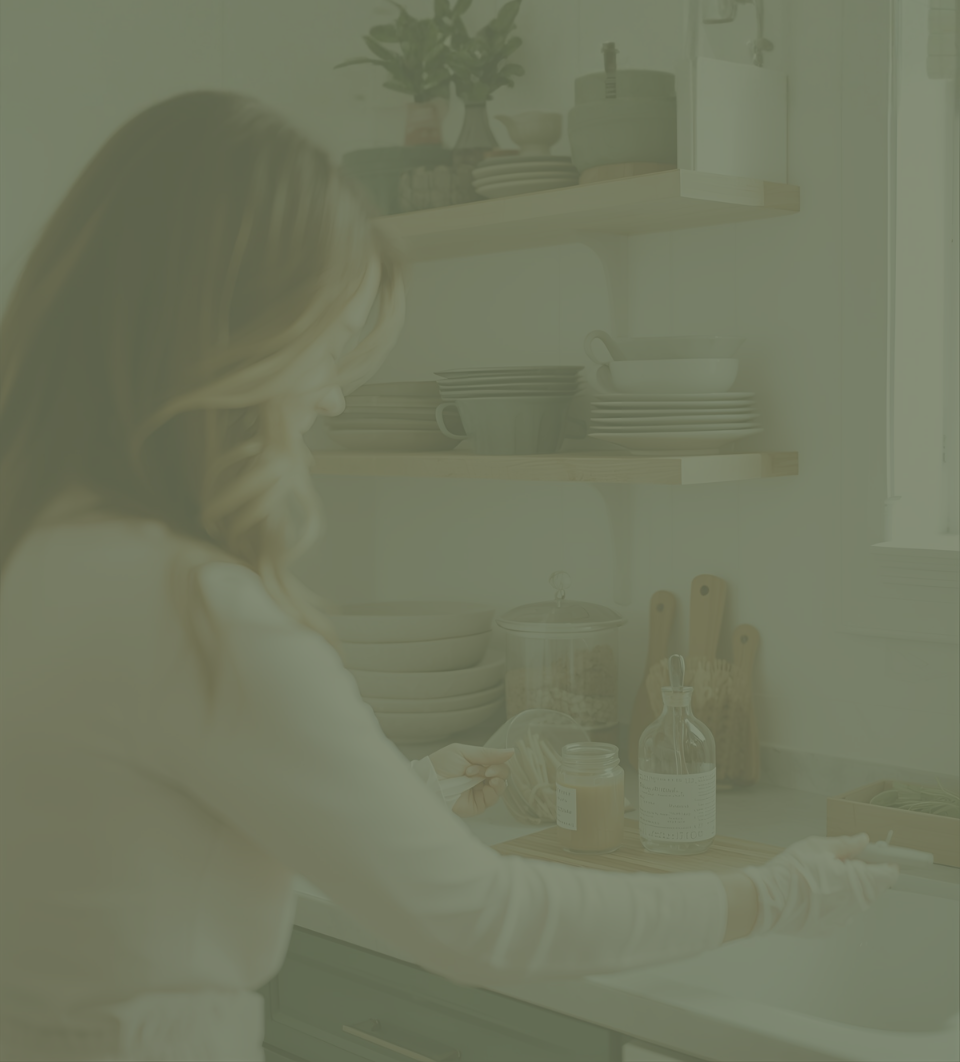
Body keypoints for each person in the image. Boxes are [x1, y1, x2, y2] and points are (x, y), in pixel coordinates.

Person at [0, 91, 900, 1062]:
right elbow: (485, 919)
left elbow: (144, 839)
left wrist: (403, 795)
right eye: (323, 340)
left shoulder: (46, 555)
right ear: (229, 335)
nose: (333, 392)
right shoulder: (195, 610)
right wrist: (777, 892)